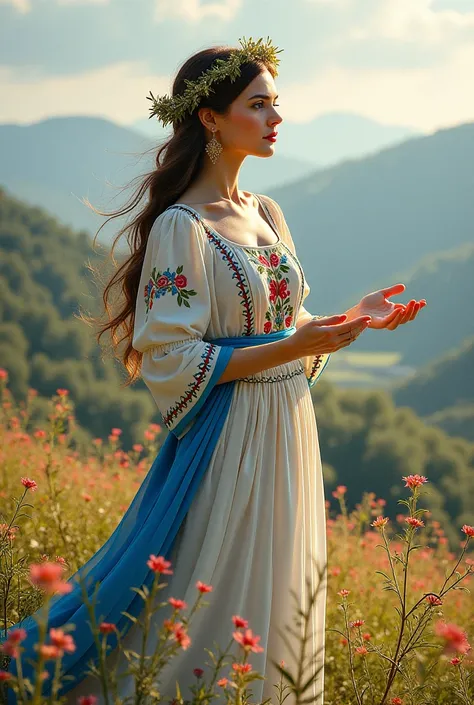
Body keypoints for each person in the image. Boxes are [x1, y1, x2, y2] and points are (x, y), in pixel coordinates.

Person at [1, 37, 425, 705]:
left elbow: (288, 325)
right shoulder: (183, 227)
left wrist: (357, 317)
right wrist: (295, 346)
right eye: (258, 105)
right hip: (230, 436)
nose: (275, 119)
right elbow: (171, 356)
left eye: (276, 105)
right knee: (204, 599)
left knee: (276, 592)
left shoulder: (266, 213)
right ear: (209, 117)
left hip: (288, 426)